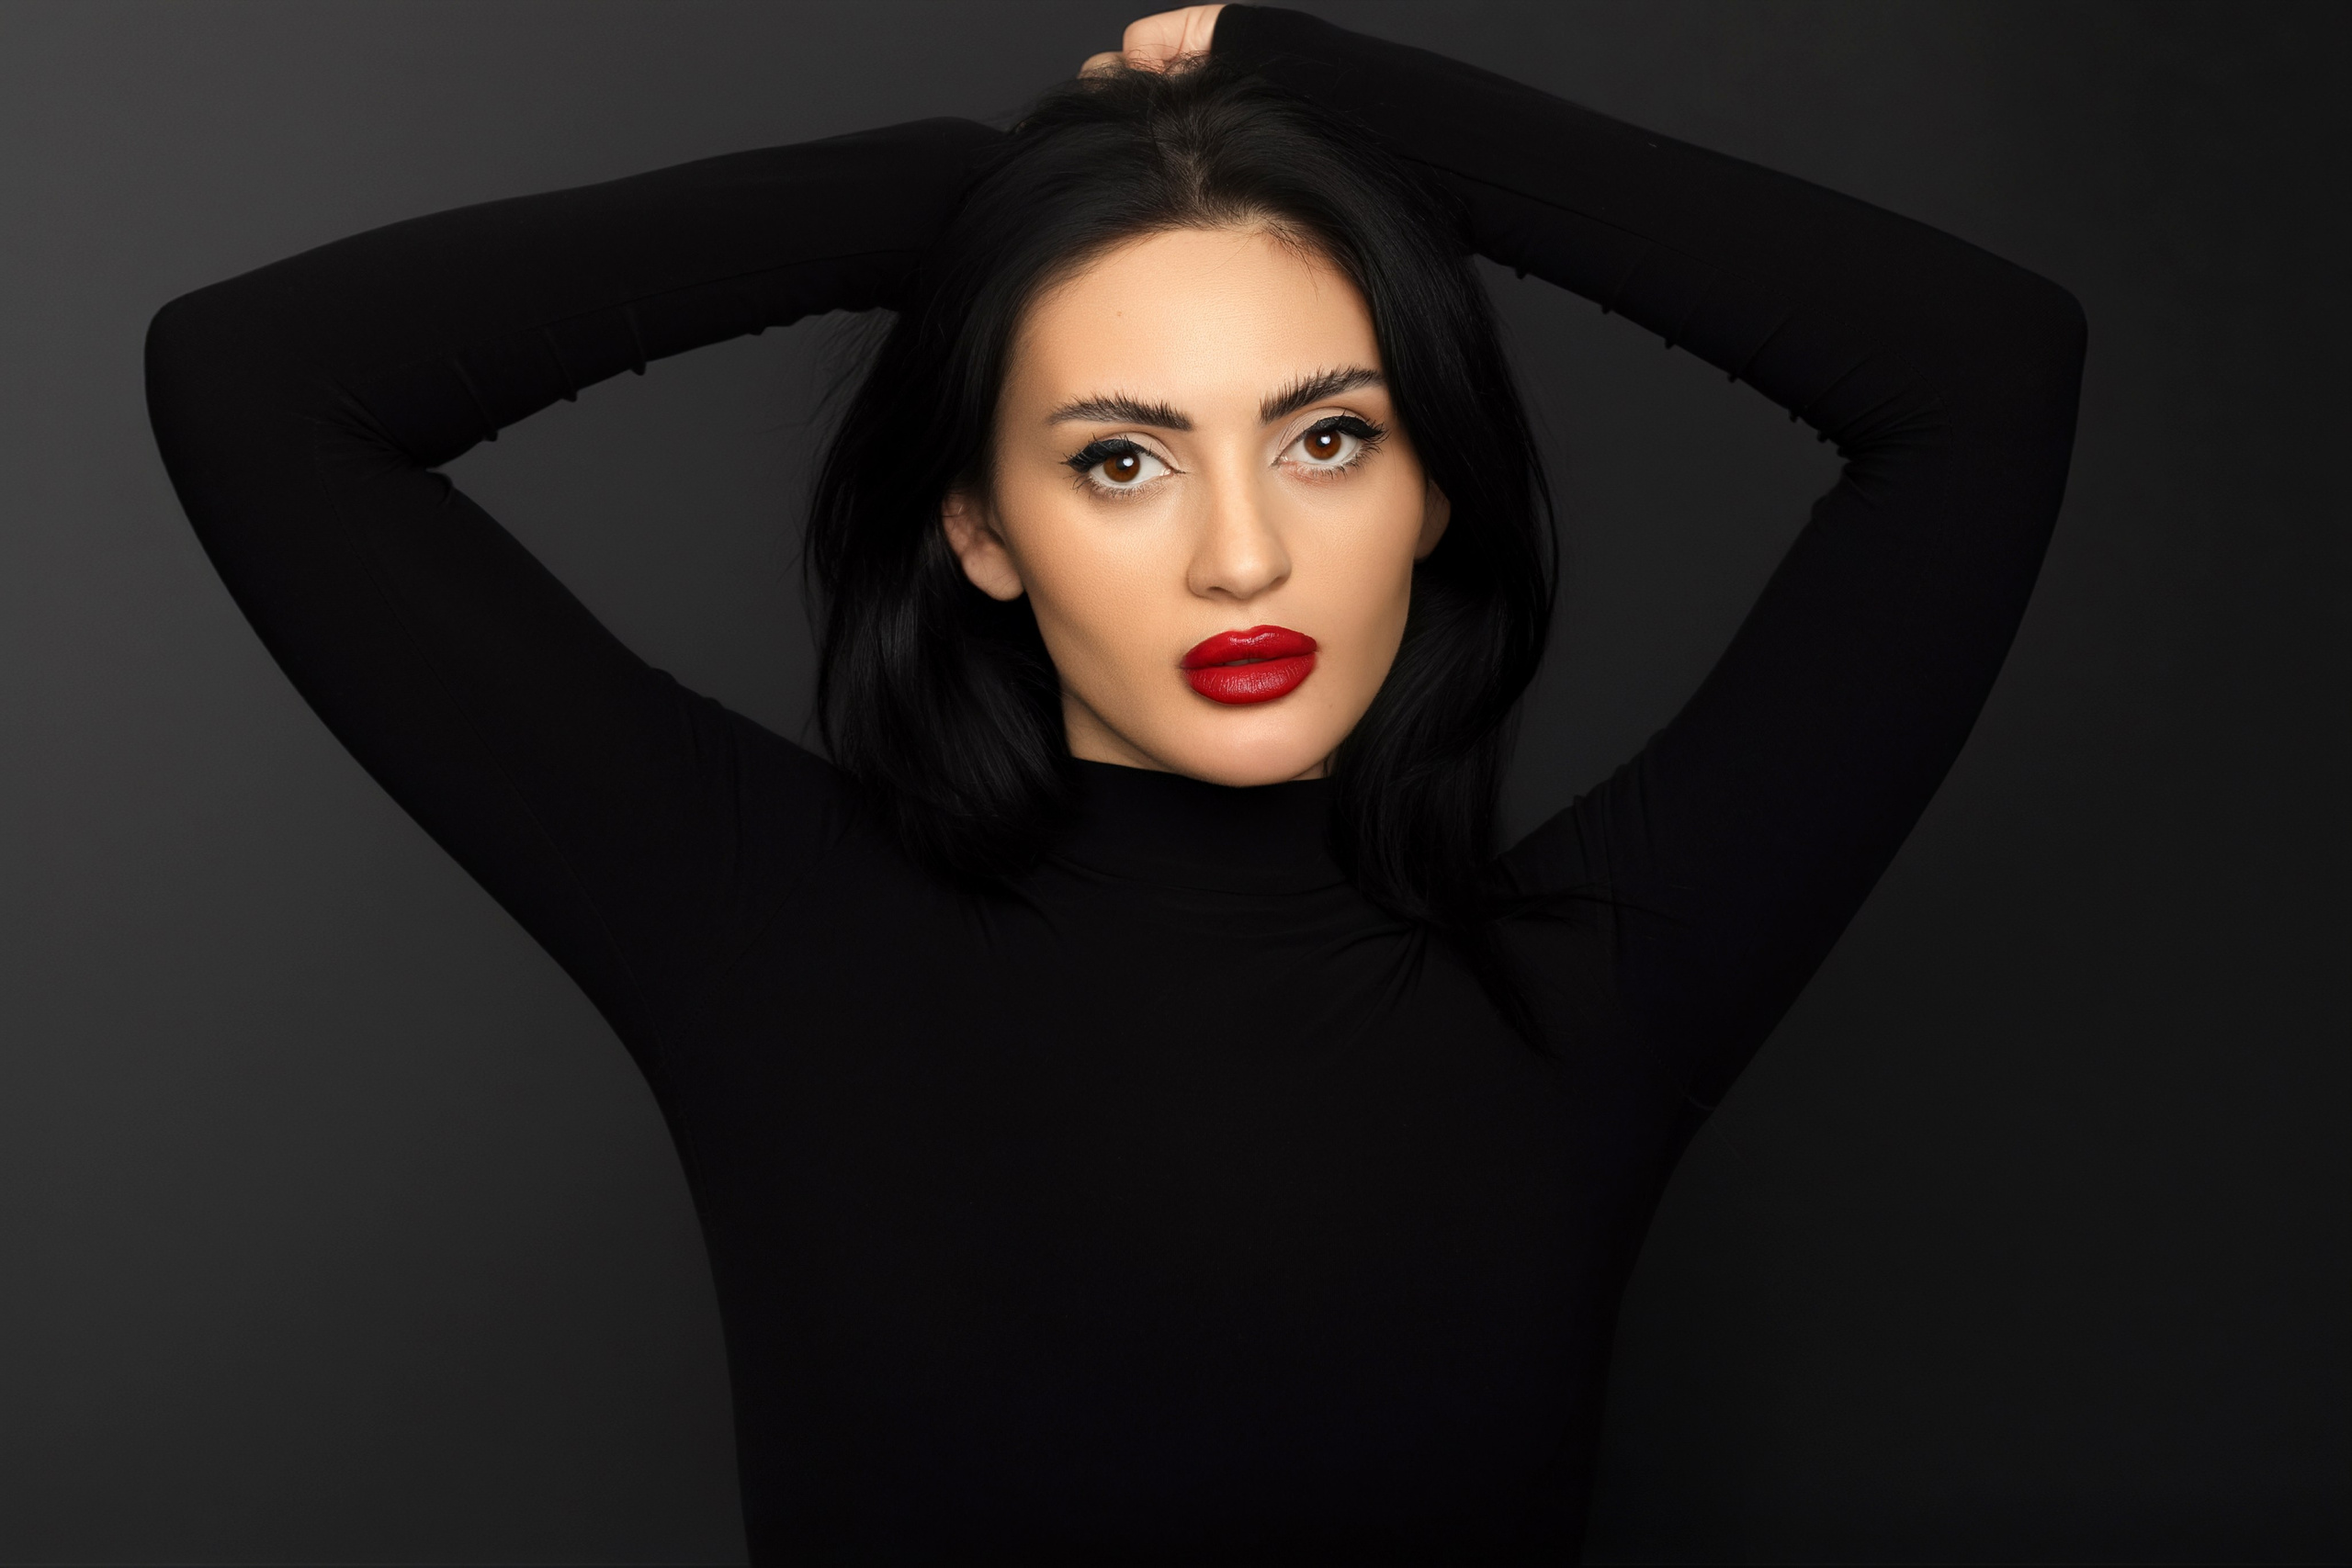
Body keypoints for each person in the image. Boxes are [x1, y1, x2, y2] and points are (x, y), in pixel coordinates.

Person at [143, 4, 2084, 1560]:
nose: (1240, 555)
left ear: (1433, 494)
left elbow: (1980, 371)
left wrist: (1290, 78)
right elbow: (259, 382)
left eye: (1326, 437)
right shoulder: (749, 919)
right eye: (1119, 459)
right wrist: (949, 199)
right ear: (979, 528)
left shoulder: (1604, 974)